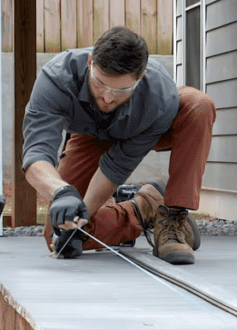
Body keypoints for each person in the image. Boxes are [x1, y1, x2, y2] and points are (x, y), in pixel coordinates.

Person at [21, 26, 215, 265]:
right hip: (91, 136)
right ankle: (145, 208)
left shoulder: (159, 95)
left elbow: (117, 166)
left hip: (145, 126)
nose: (108, 98)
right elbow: (36, 154)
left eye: (122, 90)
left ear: (141, 75)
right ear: (90, 62)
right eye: (100, 84)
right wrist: (63, 194)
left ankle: (174, 218)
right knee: (59, 234)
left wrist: (85, 207)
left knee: (199, 105)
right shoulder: (57, 79)